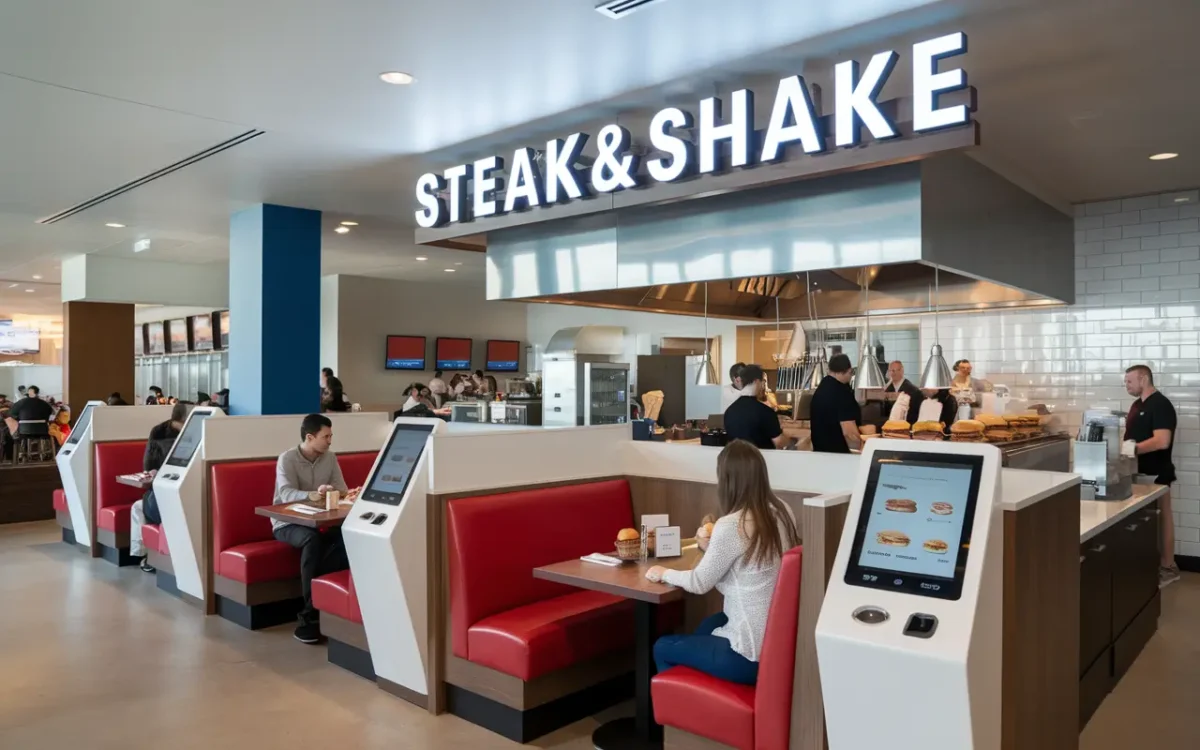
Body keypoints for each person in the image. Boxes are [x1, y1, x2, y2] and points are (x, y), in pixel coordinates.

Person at [646, 440, 800, 685]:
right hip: (776, 641)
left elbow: (698, 583)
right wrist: (711, 548)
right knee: (709, 624)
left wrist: (663, 572)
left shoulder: (731, 525)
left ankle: (686, 714)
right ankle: (704, 692)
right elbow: (749, 569)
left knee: (663, 646)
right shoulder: (782, 511)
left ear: (727, 480)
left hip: (748, 654)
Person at [272, 414, 350, 643]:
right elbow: (285, 494)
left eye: (331, 436)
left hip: (320, 520)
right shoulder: (287, 459)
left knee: (348, 536)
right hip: (286, 522)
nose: (330, 441)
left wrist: (333, 492)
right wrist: (313, 494)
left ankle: (333, 608)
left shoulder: (330, 458)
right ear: (310, 436)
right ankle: (308, 617)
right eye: (326, 436)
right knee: (312, 541)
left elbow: (342, 488)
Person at [1124, 365, 1180, 587]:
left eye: (1129, 381)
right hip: (1138, 472)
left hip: (1157, 473)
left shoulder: (1161, 404)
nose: (1126, 385)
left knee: (1163, 517)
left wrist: (1133, 449)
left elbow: (1162, 441)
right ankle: (1148, 566)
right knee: (1143, 523)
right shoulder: (1137, 405)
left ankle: (1168, 568)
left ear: (1143, 378)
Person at [130, 402, 190, 573]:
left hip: (177, 492)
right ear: (181, 420)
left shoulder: (194, 433)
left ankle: (145, 555)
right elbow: (148, 466)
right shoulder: (159, 433)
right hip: (166, 487)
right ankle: (146, 555)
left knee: (138, 507)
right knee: (141, 506)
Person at [723, 365, 790, 450]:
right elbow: (779, 441)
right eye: (763, 382)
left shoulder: (729, 412)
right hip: (760, 460)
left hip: (736, 460)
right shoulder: (765, 412)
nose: (763, 385)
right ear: (757, 381)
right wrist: (790, 439)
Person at [810, 354, 861, 453]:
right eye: (850, 373)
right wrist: (860, 448)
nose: (850, 377)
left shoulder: (821, 388)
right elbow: (849, 433)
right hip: (839, 455)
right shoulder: (842, 393)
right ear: (843, 372)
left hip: (819, 452)